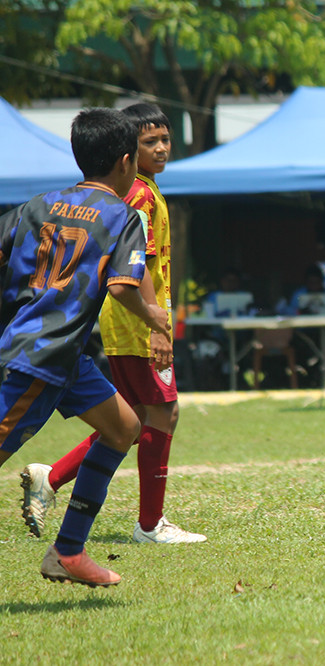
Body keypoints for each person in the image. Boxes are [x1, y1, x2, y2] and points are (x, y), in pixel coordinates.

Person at [20, 103, 205, 545]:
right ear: (127, 151)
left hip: (128, 321)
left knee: (135, 416)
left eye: (164, 139)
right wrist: (158, 328)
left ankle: (54, 475)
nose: (161, 148)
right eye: (149, 143)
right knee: (163, 412)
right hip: (138, 323)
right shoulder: (138, 196)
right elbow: (136, 265)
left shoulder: (144, 190)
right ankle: (150, 524)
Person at [0, 108, 171, 586]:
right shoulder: (122, 216)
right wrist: (154, 317)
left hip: (62, 353)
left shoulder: (36, 204)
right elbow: (121, 287)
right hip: (41, 357)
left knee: (124, 428)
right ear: (125, 160)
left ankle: (68, 553)